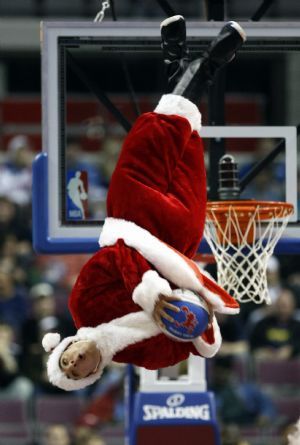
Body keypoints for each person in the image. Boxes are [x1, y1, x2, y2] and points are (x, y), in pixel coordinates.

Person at [42, 16, 246, 391]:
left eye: (64, 362)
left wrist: (149, 292)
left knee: (157, 130)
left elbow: (112, 256)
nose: (72, 363)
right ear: (91, 375)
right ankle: (177, 64)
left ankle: (205, 65)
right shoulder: (144, 356)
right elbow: (189, 344)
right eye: (74, 373)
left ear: (63, 347)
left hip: (134, 216)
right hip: (180, 236)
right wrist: (193, 312)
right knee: (186, 137)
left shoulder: (81, 306)